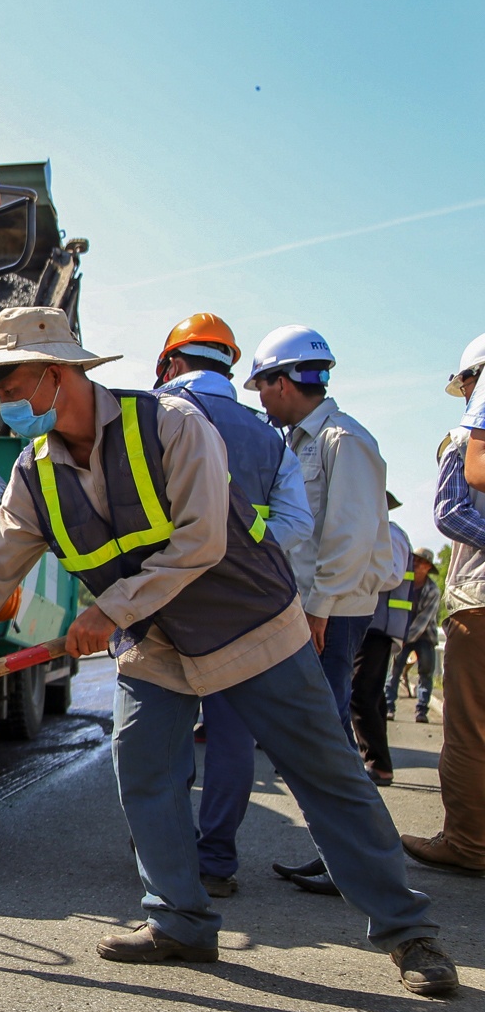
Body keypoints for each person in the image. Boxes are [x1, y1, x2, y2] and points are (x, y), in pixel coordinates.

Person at [0, 306, 455, 996]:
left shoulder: (173, 425)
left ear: (57, 374)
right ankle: (180, 919)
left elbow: (202, 539)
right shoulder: (35, 474)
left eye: (10, 387)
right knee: (145, 769)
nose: (4, 404)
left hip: (250, 628)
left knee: (326, 775)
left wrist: (108, 611)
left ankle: (409, 932)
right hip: (156, 644)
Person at [152, 314, 312, 896]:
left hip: (163, 599)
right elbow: (296, 524)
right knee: (231, 735)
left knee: (161, 734)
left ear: (172, 364)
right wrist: (242, 546)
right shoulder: (269, 436)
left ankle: (166, 855)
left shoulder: (153, 416)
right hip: (241, 607)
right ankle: (216, 861)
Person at [241, 326, 399, 891]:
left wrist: (320, 610)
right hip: (310, 608)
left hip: (331, 612)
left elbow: (348, 537)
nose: (260, 399)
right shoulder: (300, 443)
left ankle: (364, 863)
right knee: (321, 737)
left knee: (327, 741)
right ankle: (343, 854)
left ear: (283, 382)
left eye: (262, 386)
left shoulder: (343, 440)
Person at [401, 331, 485, 875]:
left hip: (479, 601)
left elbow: (451, 511)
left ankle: (468, 843)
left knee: (471, 729)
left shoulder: (461, 440)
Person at [348, 497, 414, 784]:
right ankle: (378, 762)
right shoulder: (381, 532)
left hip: (378, 626)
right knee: (372, 694)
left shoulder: (390, 533)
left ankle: (377, 762)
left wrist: (353, 572)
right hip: (373, 623)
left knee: (360, 692)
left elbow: (392, 575)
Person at [385, 548, 441, 725]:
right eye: (415, 560)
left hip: (424, 636)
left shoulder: (432, 590)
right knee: (395, 670)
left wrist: (404, 637)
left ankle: (421, 710)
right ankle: (389, 707)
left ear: (428, 567)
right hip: (402, 633)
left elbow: (423, 620)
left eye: (422, 562)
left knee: (426, 672)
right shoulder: (402, 583)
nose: (417, 564)